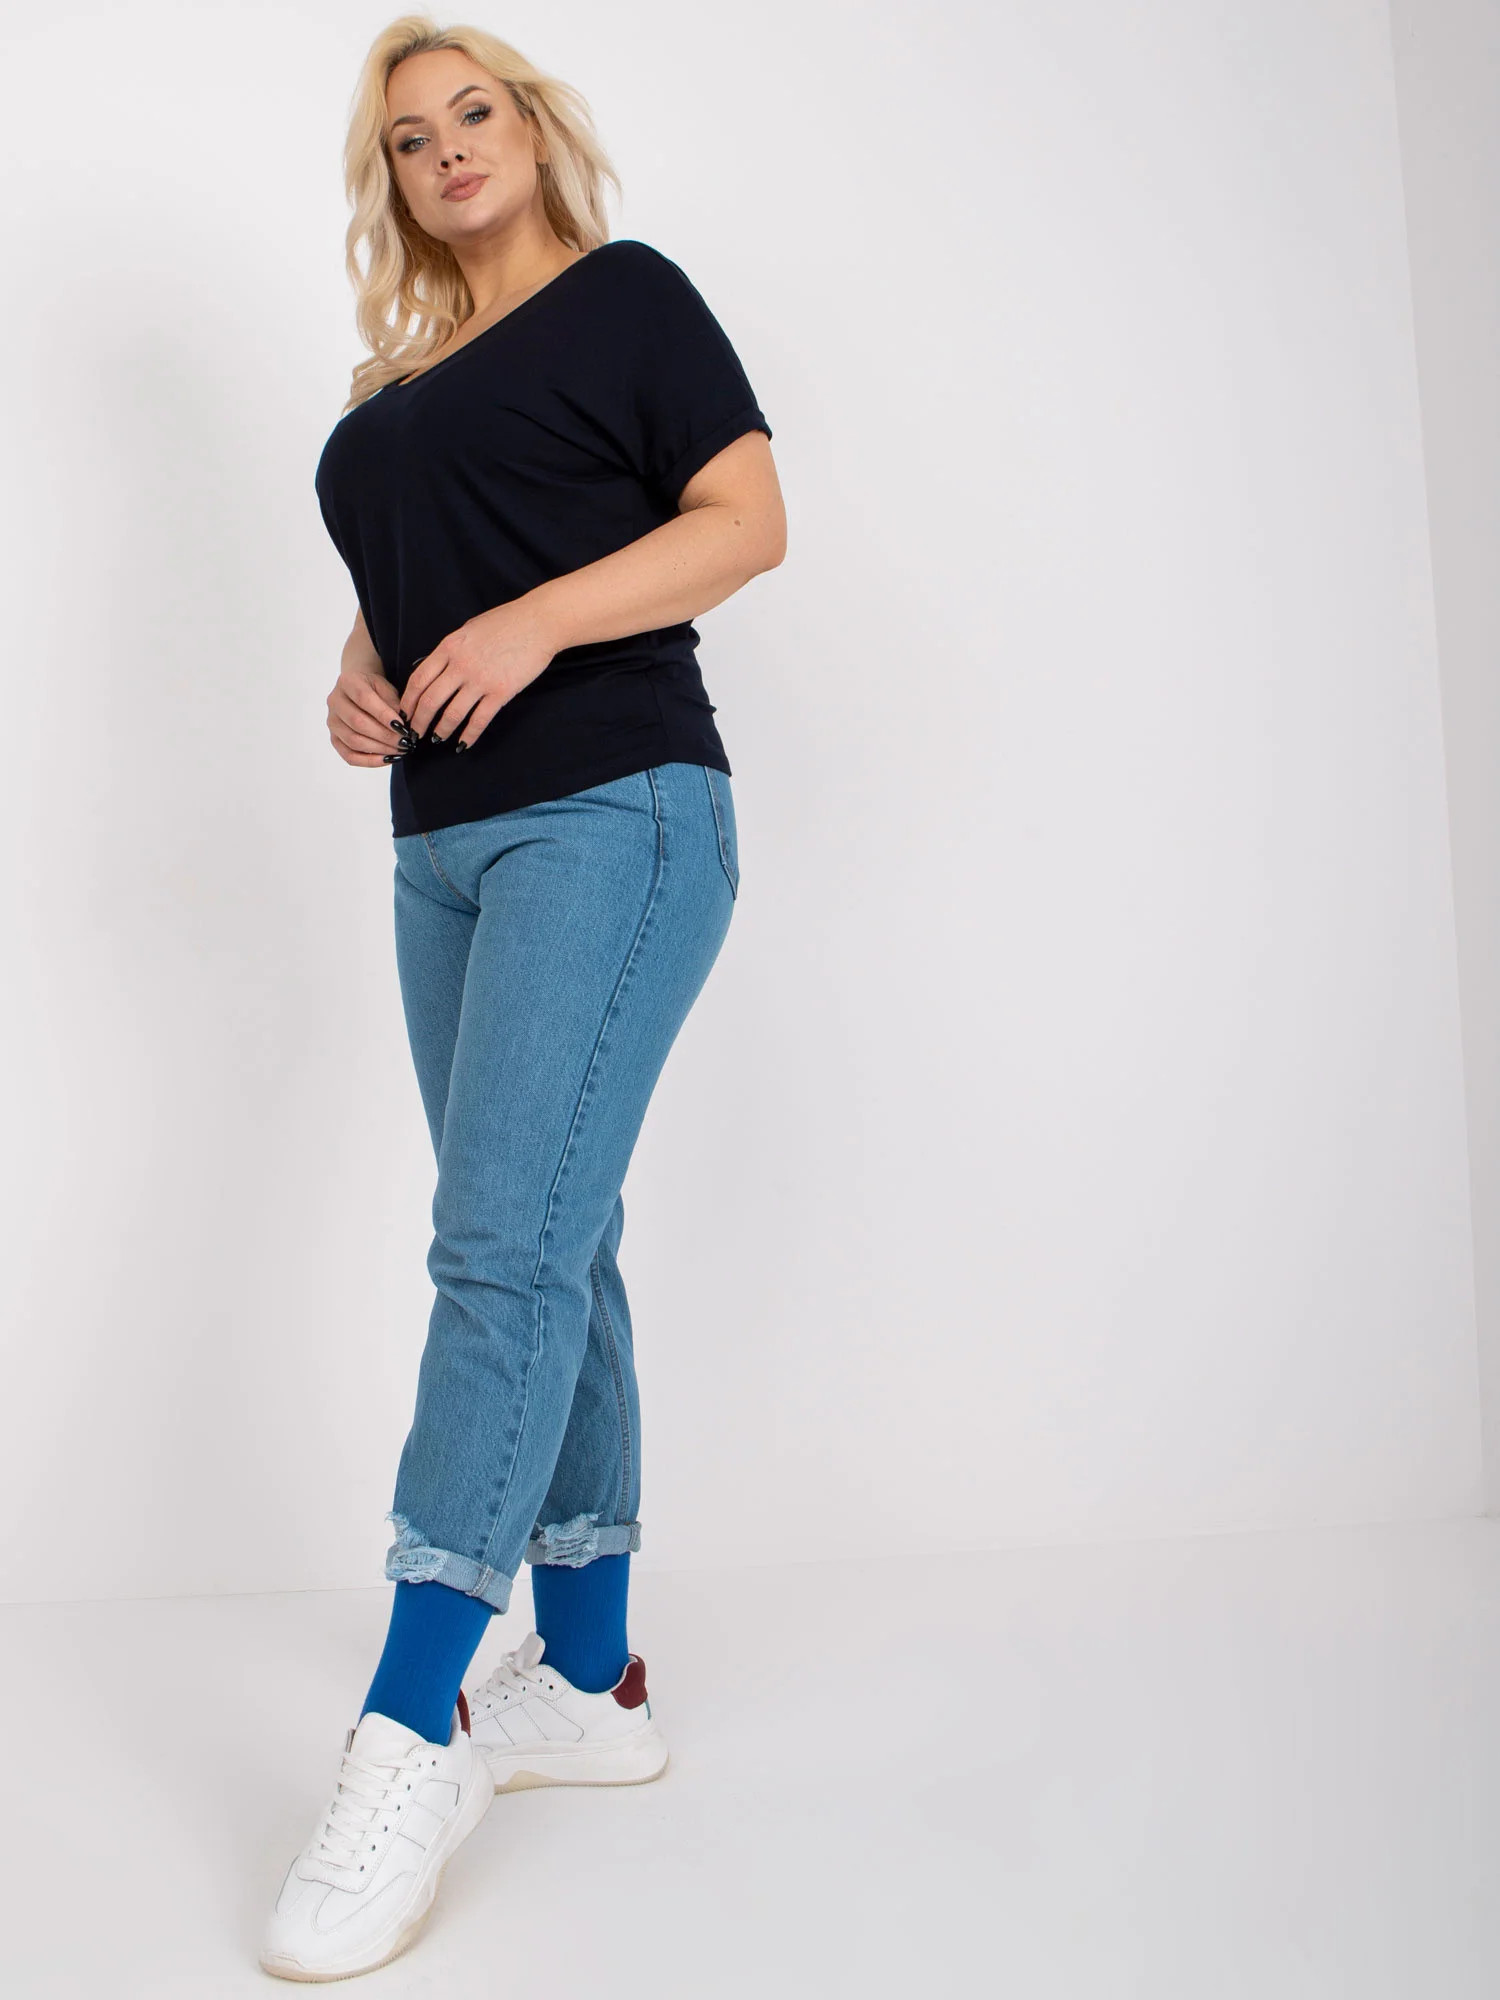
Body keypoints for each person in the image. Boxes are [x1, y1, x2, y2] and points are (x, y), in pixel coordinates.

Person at [260, 16, 785, 1981]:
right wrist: (364, 659)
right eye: (410, 137)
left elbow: (745, 522)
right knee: (559, 1241)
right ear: (392, 182)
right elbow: (436, 555)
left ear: (534, 131)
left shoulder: (629, 301)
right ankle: (590, 1675)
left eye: (472, 111)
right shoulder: (401, 378)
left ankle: (409, 1729)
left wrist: (534, 622)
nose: (447, 148)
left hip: (613, 813)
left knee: (498, 1254)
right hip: (444, 844)